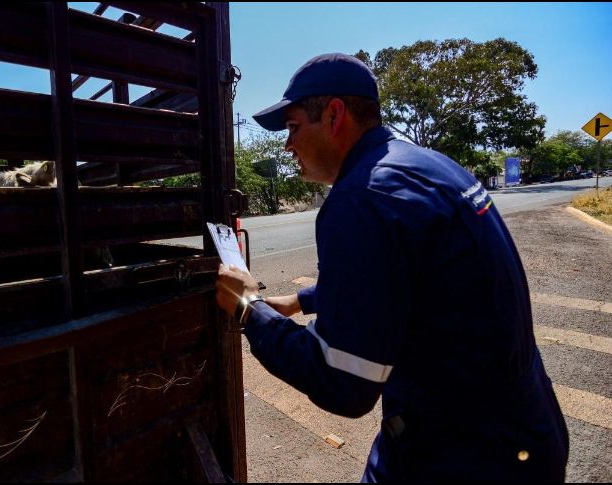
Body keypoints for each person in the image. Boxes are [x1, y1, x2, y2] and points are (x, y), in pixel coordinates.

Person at [215, 53, 568, 482]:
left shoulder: (361, 198)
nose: (288, 145)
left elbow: (344, 382)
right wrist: (300, 300)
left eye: (293, 127)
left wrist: (249, 308)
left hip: (461, 454)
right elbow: (409, 278)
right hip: (525, 427)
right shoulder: (425, 165)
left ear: (334, 115)